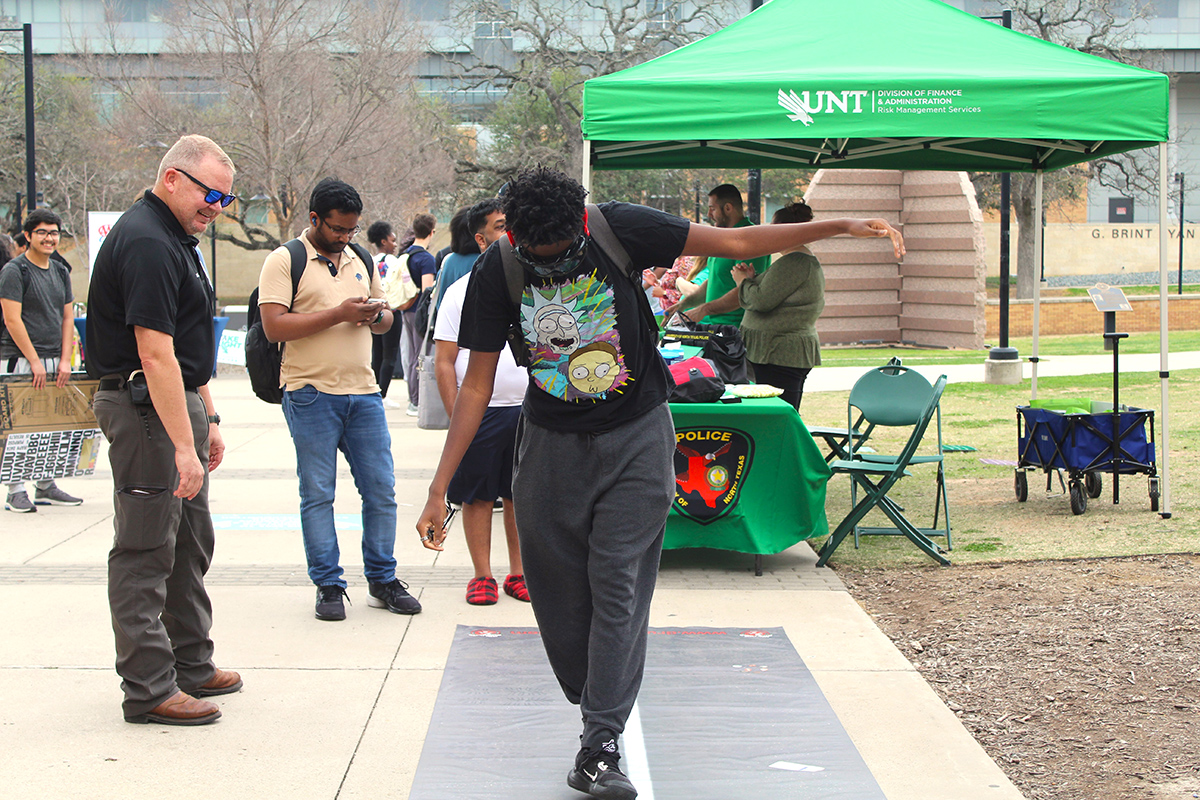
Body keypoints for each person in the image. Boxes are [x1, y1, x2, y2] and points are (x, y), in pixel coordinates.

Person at [416, 166, 903, 800]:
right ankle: (597, 701)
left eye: (562, 253)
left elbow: (734, 243)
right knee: (560, 599)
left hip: (637, 438)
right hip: (550, 448)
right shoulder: (498, 268)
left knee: (618, 586)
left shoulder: (619, 227)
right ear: (515, 236)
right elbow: (477, 381)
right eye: (538, 256)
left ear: (578, 228)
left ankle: (600, 742)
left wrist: (837, 225)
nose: (550, 265)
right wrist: (439, 487)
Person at [87, 134, 241, 726]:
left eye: (225, 199)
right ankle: (150, 688)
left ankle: (191, 663)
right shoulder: (148, 241)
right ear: (172, 178)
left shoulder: (176, 238)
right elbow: (153, 355)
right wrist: (183, 445)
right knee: (146, 550)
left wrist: (209, 419)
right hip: (146, 410)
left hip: (175, 408)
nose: (215, 208)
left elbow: (184, 345)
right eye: (209, 194)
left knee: (188, 544)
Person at [258, 178, 421, 622]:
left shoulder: (360, 258)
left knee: (381, 492)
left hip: (364, 392)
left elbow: (386, 319)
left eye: (351, 230)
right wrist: (339, 314)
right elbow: (274, 327)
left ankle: (382, 579)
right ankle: (328, 585)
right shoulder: (283, 260)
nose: (345, 237)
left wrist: (377, 315)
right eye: (336, 229)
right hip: (309, 393)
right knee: (317, 494)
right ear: (314, 219)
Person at [433, 224, 527, 606]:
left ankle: (519, 573)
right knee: (479, 497)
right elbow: (444, 362)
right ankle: (482, 575)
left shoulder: (530, 283)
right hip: (480, 413)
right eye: (500, 228)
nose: (510, 235)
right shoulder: (460, 292)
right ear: (482, 240)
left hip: (528, 410)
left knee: (521, 494)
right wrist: (460, 418)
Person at [1, 208, 84, 512]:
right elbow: (12, 320)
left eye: (53, 232)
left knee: (52, 426)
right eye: (42, 232)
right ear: (28, 236)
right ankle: (15, 490)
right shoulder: (15, 270)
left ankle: (46, 486)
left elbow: (66, 318)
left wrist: (65, 359)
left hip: (54, 360)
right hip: (22, 361)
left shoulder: (61, 271)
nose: (49, 238)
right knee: (19, 428)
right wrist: (33, 360)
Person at [732, 201, 825, 410]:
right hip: (775, 353)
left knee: (778, 414)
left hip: (780, 355)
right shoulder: (793, 261)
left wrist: (742, 282)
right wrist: (752, 278)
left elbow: (761, 301)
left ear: (785, 232)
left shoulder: (795, 262)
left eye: (773, 229)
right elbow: (775, 294)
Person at [665, 184, 771, 325]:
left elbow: (745, 291)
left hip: (737, 330)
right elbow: (716, 280)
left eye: (712, 209)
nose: (709, 215)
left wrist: (704, 309)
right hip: (714, 327)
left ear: (728, 208)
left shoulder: (750, 240)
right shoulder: (723, 238)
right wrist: (683, 305)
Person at [366, 219, 411, 408]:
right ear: (383, 241)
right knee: (390, 354)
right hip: (391, 310)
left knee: (376, 353)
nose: (394, 244)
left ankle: (373, 390)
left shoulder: (369, 260)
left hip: (373, 310)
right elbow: (405, 284)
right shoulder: (395, 262)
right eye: (392, 240)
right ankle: (382, 394)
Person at [398, 212, 437, 416]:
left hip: (405, 308)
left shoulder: (404, 255)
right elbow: (427, 290)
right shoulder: (426, 259)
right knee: (422, 356)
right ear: (431, 232)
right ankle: (416, 400)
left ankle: (412, 398)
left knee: (412, 354)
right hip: (420, 313)